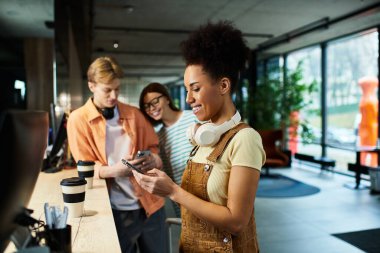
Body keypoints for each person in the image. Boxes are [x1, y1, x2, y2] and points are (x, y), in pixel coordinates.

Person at [132, 21, 265, 252]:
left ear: (223, 85)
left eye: (195, 88)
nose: (188, 99)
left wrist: (173, 190)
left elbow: (236, 221)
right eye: (186, 90)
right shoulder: (202, 138)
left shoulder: (245, 139)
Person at [67, 56, 167, 253]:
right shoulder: (78, 120)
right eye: (107, 90)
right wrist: (115, 171)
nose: (114, 95)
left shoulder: (134, 114)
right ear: (91, 86)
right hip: (115, 210)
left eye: (117, 89)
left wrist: (154, 159)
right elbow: (84, 166)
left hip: (150, 205)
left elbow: (154, 148)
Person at [139, 82, 197, 217]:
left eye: (154, 101)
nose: (151, 108)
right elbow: (167, 172)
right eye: (146, 106)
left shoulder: (193, 118)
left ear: (166, 98)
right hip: (181, 198)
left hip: (205, 194)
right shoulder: (158, 136)